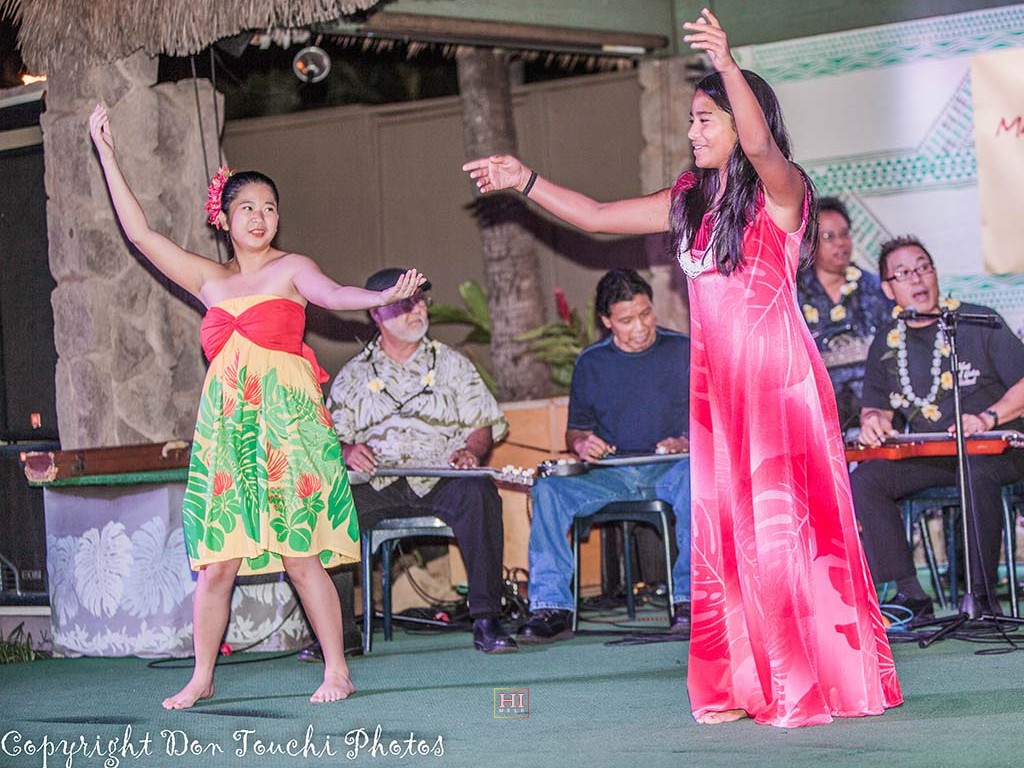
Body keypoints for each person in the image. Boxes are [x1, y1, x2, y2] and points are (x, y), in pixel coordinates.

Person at [463, 8, 901, 727]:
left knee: (782, 535)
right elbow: (596, 215)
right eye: (692, 120)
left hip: (777, 384)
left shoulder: (782, 191)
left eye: (705, 119)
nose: (693, 131)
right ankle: (747, 682)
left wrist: (727, 64)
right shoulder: (689, 204)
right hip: (718, 390)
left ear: (739, 119)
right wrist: (525, 179)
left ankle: (805, 682)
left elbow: (760, 146)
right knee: (728, 537)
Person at [88, 103, 425, 709]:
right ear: (223, 218)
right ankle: (202, 675)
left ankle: (337, 669)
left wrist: (380, 296)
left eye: (270, 207)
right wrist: (107, 154)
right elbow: (141, 236)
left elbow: (333, 294)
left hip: (288, 426)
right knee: (218, 563)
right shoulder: (208, 279)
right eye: (247, 207)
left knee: (300, 555)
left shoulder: (292, 269)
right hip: (230, 428)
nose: (261, 217)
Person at [324, 267, 518, 654]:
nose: (417, 310)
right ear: (376, 313)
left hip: (441, 474)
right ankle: (337, 633)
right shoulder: (353, 375)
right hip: (379, 479)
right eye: (404, 303)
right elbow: (333, 437)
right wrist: (347, 450)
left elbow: (481, 424)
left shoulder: (453, 364)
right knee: (331, 509)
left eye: (420, 301)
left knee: (479, 493)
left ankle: (487, 619)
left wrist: (471, 450)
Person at [851, 235, 1024, 619]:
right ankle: (911, 595)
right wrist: (873, 421)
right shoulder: (886, 342)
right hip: (935, 455)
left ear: (934, 273)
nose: (916, 279)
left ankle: (982, 599)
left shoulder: (978, 322)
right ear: (887, 289)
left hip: (998, 450)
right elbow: (875, 408)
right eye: (903, 273)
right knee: (867, 479)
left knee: (974, 469)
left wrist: (988, 417)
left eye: (922, 268)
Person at [518, 269, 692, 643]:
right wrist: (583, 443)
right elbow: (576, 430)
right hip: (613, 472)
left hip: (672, 468)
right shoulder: (591, 363)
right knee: (549, 491)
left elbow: (714, 418)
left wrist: (686, 440)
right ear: (607, 321)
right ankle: (551, 607)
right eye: (627, 320)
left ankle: (689, 600)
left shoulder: (683, 350)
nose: (640, 327)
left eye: (645, 314)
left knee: (698, 480)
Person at [797, 197, 894, 432]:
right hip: (816, 415)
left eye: (844, 234)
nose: (840, 243)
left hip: (876, 411)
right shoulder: (793, 295)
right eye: (828, 237)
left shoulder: (876, 289)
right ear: (808, 243)